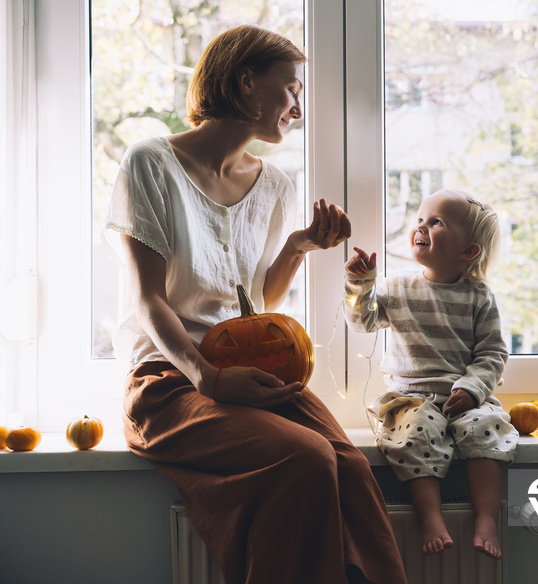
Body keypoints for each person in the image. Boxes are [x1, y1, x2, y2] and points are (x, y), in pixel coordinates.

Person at [104, 24, 407, 584]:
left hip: (249, 372)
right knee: (307, 459)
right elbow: (148, 299)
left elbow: (258, 303)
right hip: (171, 381)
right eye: (290, 89)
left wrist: (299, 247)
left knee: (350, 467)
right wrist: (209, 379)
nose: (296, 106)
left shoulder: (275, 186)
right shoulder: (150, 164)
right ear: (247, 83)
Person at [343, 188, 518, 560]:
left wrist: (472, 390)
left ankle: (486, 516)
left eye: (435, 222)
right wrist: (361, 283)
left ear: (468, 251)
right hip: (411, 398)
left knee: (488, 428)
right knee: (415, 433)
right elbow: (363, 321)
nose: (421, 226)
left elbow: (492, 352)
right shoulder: (397, 289)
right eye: (420, 219)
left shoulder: (480, 297)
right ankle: (430, 516)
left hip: (464, 398)